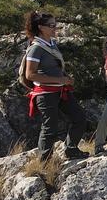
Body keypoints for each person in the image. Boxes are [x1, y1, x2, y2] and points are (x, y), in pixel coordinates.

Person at [24, 11, 89, 160]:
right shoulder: (36, 48)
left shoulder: (52, 44)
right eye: (51, 25)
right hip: (45, 94)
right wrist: (59, 80)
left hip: (60, 90)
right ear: (41, 27)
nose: (55, 28)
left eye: (55, 25)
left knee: (79, 117)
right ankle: (44, 163)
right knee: (49, 128)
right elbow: (30, 75)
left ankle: (71, 149)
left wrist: (64, 79)